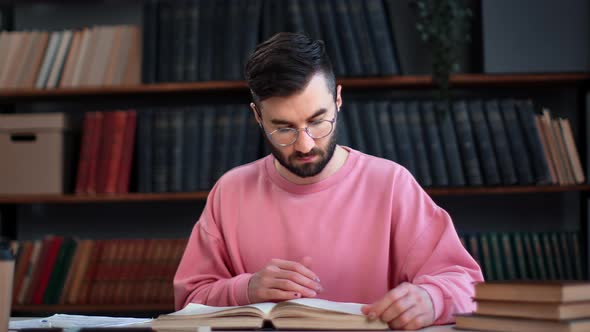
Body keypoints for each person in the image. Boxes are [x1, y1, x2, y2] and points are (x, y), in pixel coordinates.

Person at [174, 32, 483, 330]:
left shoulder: (391, 185)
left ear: (337, 99)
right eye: (283, 129)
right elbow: (188, 302)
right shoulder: (230, 192)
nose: (305, 144)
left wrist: (431, 299)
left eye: (317, 121)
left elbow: (468, 285)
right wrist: (247, 289)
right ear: (257, 116)